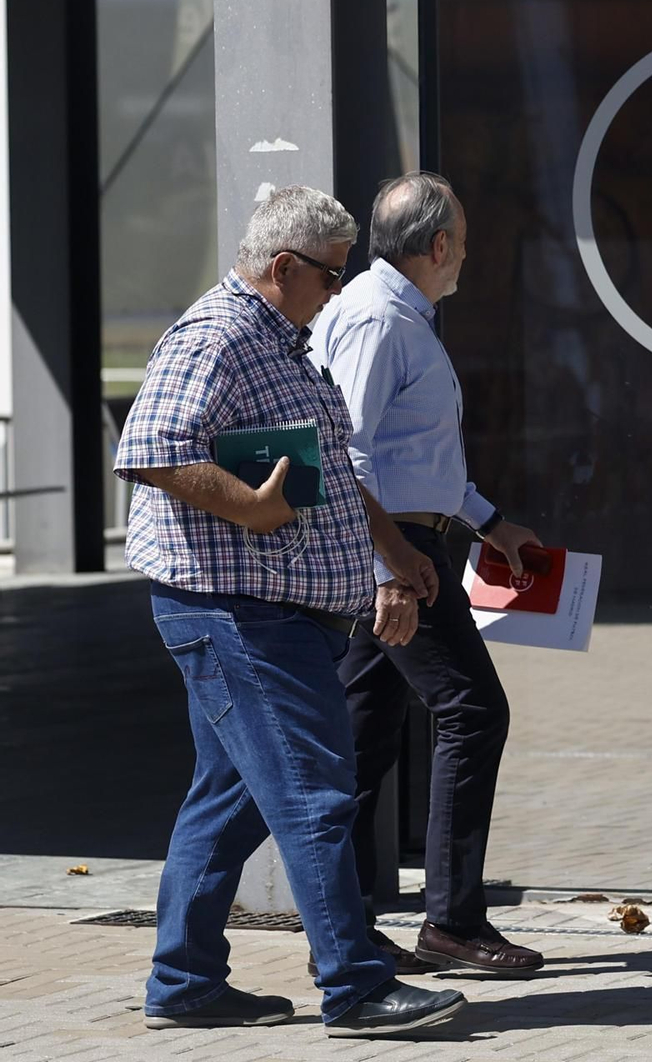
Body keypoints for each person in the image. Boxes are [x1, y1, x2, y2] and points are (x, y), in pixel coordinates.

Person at [114, 186, 467, 1036]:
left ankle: (184, 981)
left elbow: (330, 473)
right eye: (329, 274)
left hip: (265, 610)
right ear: (283, 266)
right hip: (236, 612)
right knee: (316, 792)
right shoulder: (219, 335)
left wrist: (396, 550)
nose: (338, 290)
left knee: (227, 800)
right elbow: (150, 450)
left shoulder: (285, 340)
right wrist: (247, 504)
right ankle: (356, 985)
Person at [308, 171, 545, 974]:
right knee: (474, 709)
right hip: (396, 551)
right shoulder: (379, 318)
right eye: (465, 242)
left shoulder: (403, 315)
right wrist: (389, 568)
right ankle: (451, 921)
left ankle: (341, 931)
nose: (467, 257)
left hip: (409, 541)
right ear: (438, 245)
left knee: (364, 736)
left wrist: (487, 520)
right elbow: (349, 453)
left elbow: (416, 459)